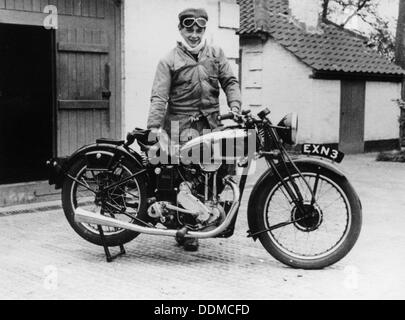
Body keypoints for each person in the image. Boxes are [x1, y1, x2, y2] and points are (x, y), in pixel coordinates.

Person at [147, 8, 242, 251]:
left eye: (199, 29)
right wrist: (154, 129)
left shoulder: (216, 54)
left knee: (220, 170)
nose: (194, 34)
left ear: (204, 31)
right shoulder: (169, 60)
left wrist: (235, 104)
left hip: (211, 124)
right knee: (187, 178)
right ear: (181, 30)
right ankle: (187, 230)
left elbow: (230, 82)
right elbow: (159, 97)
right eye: (189, 29)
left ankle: (209, 215)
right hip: (181, 126)